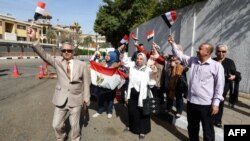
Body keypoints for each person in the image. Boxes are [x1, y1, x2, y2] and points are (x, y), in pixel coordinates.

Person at [27, 27, 90, 141]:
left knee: (75, 127)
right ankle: (61, 137)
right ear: (61, 52)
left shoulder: (81, 65)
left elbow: (86, 82)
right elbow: (44, 55)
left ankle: (75, 139)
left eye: (69, 50)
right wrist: (34, 39)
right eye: (64, 50)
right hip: (61, 99)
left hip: (76, 99)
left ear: (73, 52)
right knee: (56, 125)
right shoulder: (57, 62)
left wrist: (86, 98)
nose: (66, 52)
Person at [168, 35, 225, 141]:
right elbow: (180, 56)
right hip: (192, 103)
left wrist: (216, 104)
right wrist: (172, 44)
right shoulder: (193, 61)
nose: (197, 50)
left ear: (207, 53)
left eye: (200, 49)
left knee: (207, 131)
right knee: (192, 128)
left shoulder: (216, 66)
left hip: (207, 105)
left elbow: (219, 86)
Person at [125, 52, 157, 139]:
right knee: (132, 111)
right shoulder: (132, 68)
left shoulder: (148, 70)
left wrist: (153, 74)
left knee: (143, 112)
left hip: (143, 94)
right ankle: (132, 127)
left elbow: (151, 84)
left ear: (145, 60)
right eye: (137, 58)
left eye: (141, 59)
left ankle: (142, 130)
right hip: (132, 93)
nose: (139, 60)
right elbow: (124, 62)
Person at [212, 44, 237, 128]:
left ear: (226, 52)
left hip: (224, 86)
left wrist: (234, 76)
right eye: (219, 51)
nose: (221, 53)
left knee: (220, 103)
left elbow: (235, 73)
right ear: (216, 52)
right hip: (211, 85)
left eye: (223, 51)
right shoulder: (212, 60)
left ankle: (218, 120)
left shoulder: (230, 62)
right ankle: (210, 118)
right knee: (210, 102)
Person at [92, 51, 120, 119]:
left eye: (108, 56)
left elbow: (118, 74)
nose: (106, 57)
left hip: (111, 86)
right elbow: (95, 66)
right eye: (106, 55)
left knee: (110, 99)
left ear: (113, 57)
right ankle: (99, 110)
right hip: (102, 85)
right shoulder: (103, 63)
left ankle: (109, 111)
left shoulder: (116, 64)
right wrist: (94, 57)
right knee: (100, 98)